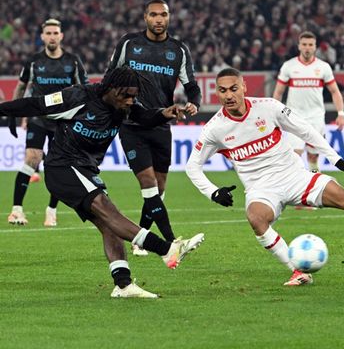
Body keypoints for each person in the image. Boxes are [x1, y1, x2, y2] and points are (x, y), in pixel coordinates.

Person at [186, 68, 344, 286]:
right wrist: (213, 192)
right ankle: (298, 272)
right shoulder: (215, 129)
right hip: (261, 189)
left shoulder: (268, 107)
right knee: (256, 218)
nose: (228, 95)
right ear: (216, 93)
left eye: (233, 88)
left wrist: (336, 159)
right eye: (222, 90)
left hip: (295, 176)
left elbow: (305, 130)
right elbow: (192, 167)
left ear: (244, 87)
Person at [1, 66, 205, 298]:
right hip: (63, 167)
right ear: (111, 89)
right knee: (108, 211)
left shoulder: (124, 106)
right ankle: (166, 249)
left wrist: (163, 114)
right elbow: (35, 104)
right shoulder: (78, 97)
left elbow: (143, 116)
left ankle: (123, 285)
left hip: (86, 169)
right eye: (126, 95)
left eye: (134, 96)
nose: (130, 101)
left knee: (109, 225)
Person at [107, 0, 201, 256]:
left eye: (163, 15)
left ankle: (140, 241)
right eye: (154, 15)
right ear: (145, 17)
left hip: (161, 123)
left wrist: (194, 102)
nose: (159, 19)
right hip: (131, 124)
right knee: (148, 182)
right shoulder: (129, 43)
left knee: (158, 188)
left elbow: (191, 85)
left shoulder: (178, 50)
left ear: (169, 17)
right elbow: (110, 76)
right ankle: (172, 243)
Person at [7, 18, 89, 227]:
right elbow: (21, 87)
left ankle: (51, 211)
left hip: (63, 120)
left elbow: (85, 89)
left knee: (57, 166)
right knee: (32, 158)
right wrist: (13, 113)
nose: (52, 37)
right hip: (39, 118)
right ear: (42, 37)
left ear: (61, 36)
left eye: (55, 33)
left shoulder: (73, 61)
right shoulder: (34, 61)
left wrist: (85, 116)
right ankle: (16, 210)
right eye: (48, 33)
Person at [273, 31, 344, 173]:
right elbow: (278, 92)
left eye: (310, 45)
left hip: (315, 116)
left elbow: (335, 91)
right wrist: (274, 115)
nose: (307, 48)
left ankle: (314, 181)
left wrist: (341, 113)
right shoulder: (289, 66)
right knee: (295, 156)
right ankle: (296, 185)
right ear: (299, 46)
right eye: (304, 44)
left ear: (315, 47)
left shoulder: (323, 67)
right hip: (293, 116)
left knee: (313, 156)